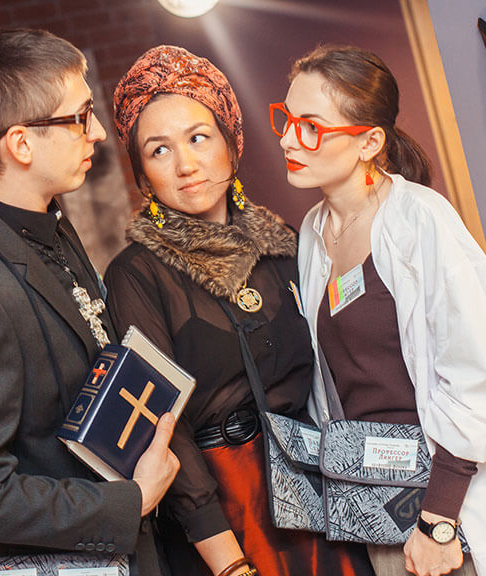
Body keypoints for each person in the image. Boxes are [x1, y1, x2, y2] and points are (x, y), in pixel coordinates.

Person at [273, 44, 486, 576]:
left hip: (450, 514)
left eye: (311, 126)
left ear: (369, 142)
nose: (289, 139)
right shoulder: (314, 234)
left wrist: (439, 520)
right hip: (381, 511)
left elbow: (484, 375)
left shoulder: (421, 220)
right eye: (287, 119)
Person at [0, 29, 179, 576]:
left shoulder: (49, 222)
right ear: (20, 144)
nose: (99, 133)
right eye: (80, 117)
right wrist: (129, 503)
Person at [105, 45, 374, 576]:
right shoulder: (136, 274)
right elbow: (164, 427)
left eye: (198, 138)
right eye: (159, 150)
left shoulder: (285, 245)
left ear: (230, 144)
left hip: (319, 492)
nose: (185, 165)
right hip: (227, 511)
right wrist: (229, 564)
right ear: (143, 173)